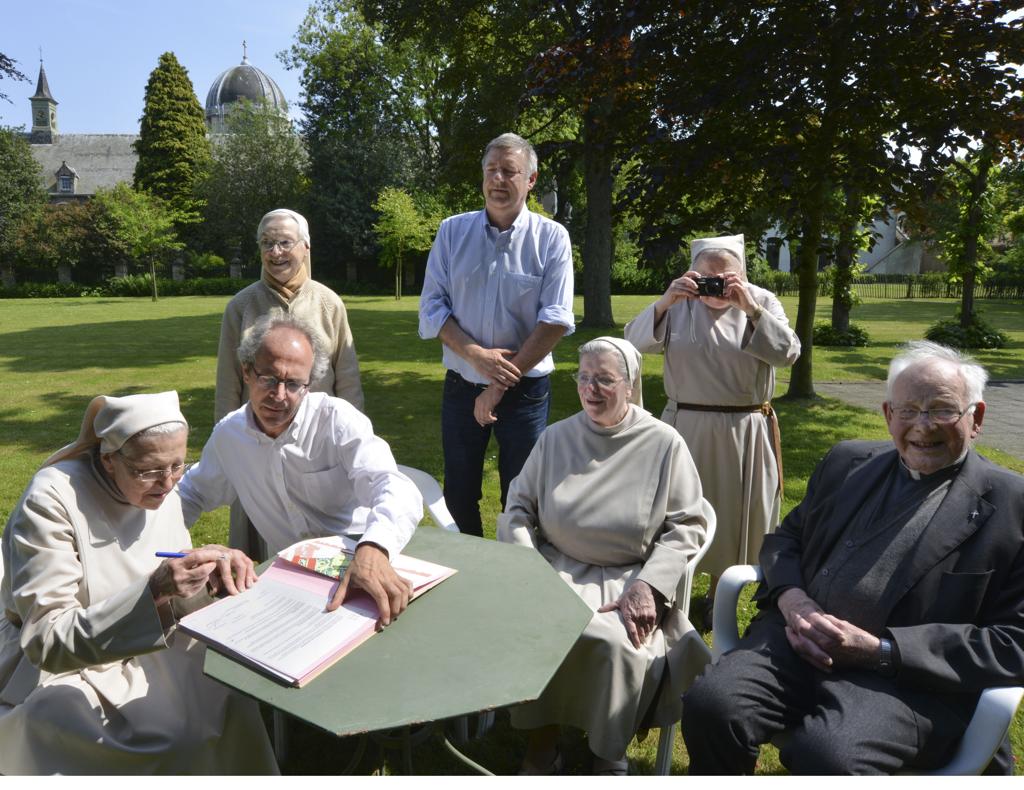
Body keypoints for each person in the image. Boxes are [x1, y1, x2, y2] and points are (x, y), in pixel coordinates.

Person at [681, 340, 1024, 775]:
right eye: (908, 410)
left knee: (827, 755)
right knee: (711, 705)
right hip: (794, 644)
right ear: (887, 415)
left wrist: (880, 651)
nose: (923, 426)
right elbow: (785, 540)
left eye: (942, 410)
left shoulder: (1013, 505)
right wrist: (792, 600)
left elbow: (1015, 642)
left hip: (906, 682)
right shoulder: (848, 463)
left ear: (975, 418)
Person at [0, 392, 277, 774]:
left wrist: (205, 575)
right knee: (166, 739)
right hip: (70, 663)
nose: (166, 485)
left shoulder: (163, 488)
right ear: (108, 459)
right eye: (148, 470)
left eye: (178, 466)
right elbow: (47, 640)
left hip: (154, 638)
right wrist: (156, 590)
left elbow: (173, 584)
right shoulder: (51, 500)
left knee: (231, 697)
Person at [498, 337, 714, 775]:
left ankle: (607, 750)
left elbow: (689, 524)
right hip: (554, 568)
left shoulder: (663, 443)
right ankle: (543, 746)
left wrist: (650, 586)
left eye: (604, 380)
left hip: (629, 577)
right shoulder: (556, 437)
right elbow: (517, 507)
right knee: (532, 628)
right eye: (583, 378)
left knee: (618, 642)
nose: (590, 389)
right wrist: (528, 569)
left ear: (631, 385)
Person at [180, 312, 422, 625]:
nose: (279, 396)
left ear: (308, 384)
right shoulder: (230, 436)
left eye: (293, 383)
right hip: (293, 585)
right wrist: (155, 541)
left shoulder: (335, 420)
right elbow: (192, 492)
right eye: (269, 378)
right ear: (246, 373)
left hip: (366, 562)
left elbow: (394, 486)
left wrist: (374, 547)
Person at [624, 233, 799, 625]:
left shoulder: (762, 300)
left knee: (736, 517)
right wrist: (665, 301)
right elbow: (633, 343)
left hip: (744, 430)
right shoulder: (680, 303)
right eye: (708, 276)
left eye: (726, 276)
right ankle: (667, 587)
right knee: (673, 513)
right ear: (692, 273)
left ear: (742, 274)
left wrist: (752, 309)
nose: (716, 284)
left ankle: (720, 598)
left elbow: (788, 352)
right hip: (684, 427)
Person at [419, 132, 575, 537]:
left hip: (525, 393)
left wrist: (500, 381)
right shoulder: (452, 232)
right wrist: (475, 356)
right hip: (461, 386)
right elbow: (432, 307)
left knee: (521, 496)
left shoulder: (551, 238)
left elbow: (556, 318)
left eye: (510, 171)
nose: (499, 180)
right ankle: (470, 576)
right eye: (492, 171)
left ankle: (517, 580)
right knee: (458, 495)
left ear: (532, 180)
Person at [215, 208, 364, 557]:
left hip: (317, 443)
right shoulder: (241, 307)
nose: (275, 252)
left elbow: (349, 379)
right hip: (258, 441)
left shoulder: (329, 304)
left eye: (284, 242)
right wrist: (229, 451)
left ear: (306, 247)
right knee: (257, 552)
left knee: (325, 546)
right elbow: (227, 385)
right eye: (267, 243)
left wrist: (352, 437)